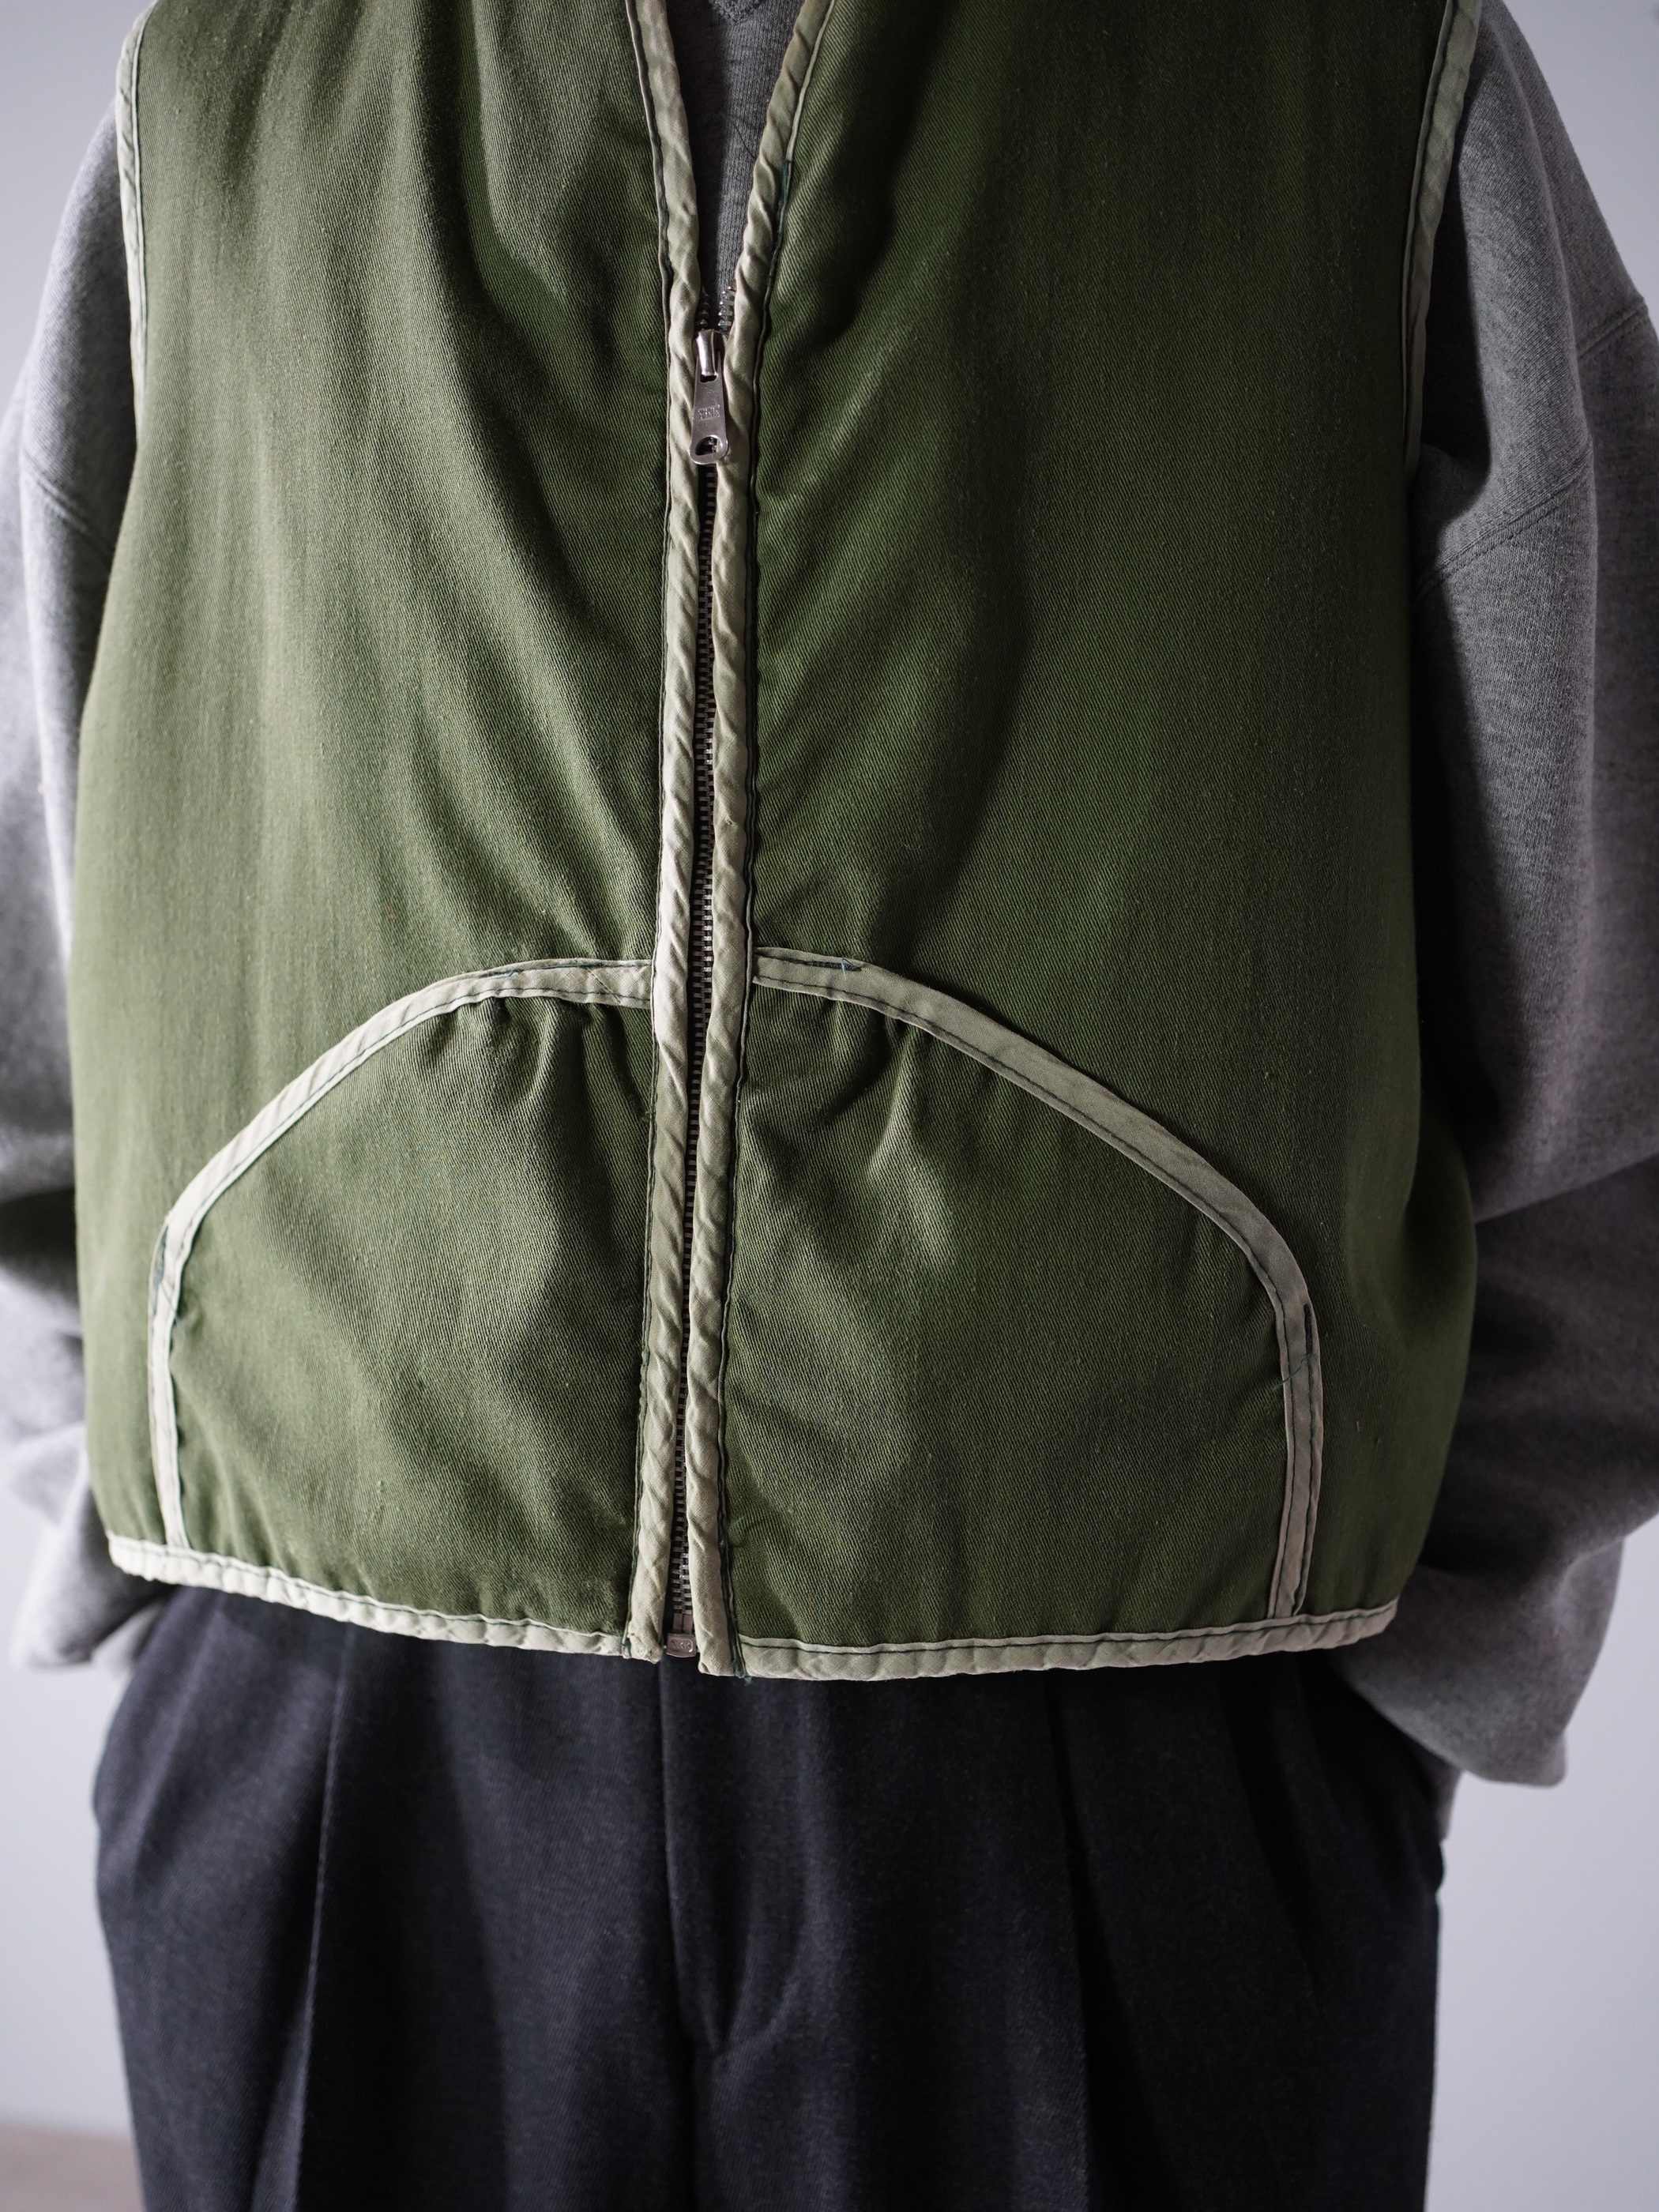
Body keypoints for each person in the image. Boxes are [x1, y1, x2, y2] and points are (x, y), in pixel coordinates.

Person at [2, 1, 1655, 2205]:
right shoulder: (237, 70)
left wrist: (1416, 1666)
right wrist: (129, 1540)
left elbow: (1605, 907)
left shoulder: (1349, 68)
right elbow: (72, 847)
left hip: (1134, 1734)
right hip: (326, 1694)